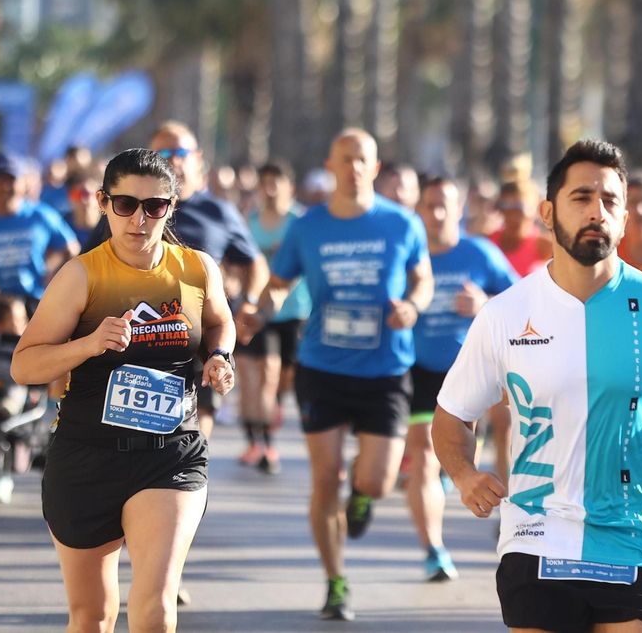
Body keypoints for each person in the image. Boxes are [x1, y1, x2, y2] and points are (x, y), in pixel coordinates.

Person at [432, 138, 642, 633]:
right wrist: (464, 475)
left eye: (610, 200)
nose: (597, 211)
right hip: (536, 536)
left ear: (625, 216)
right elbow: (451, 416)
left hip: (638, 536)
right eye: (581, 198)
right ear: (547, 213)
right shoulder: (506, 313)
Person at [13, 148, 236, 633]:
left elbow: (221, 321)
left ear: (171, 208)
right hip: (86, 455)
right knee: (92, 617)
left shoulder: (196, 268)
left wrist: (220, 356)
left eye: (155, 206)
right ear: (103, 203)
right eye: (126, 205)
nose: (140, 218)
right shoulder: (81, 275)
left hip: (170, 454)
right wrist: (89, 345)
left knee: (155, 607)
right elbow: (24, 365)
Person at [245, 128, 434, 621]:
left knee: (377, 479)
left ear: (374, 168)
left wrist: (412, 307)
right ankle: (335, 583)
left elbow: (422, 278)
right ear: (330, 165)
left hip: (386, 369)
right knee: (325, 477)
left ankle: (363, 498)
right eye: (344, 158)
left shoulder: (402, 223)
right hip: (322, 367)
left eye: (362, 159)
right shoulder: (309, 227)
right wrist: (261, 308)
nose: (353, 167)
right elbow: (281, 283)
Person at [86, 123, 265, 439]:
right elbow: (84, 270)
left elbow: (256, 263)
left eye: (180, 152)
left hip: (193, 343)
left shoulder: (217, 212)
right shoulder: (123, 208)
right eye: (163, 153)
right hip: (132, 343)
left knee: (193, 448)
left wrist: (247, 304)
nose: (172, 160)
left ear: (197, 158)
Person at [407, 175, 516, 583]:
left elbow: (523, 306)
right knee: (422, 456)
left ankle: (458, 461)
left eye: (444, 205)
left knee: (447, 455)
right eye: (428, 206)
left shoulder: (481, 253)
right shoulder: (408, 255)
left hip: (471, 371)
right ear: (418, 211)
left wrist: (484, 304)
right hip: (419, 370)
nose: (436, 214)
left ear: (460, 209)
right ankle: (434, 549)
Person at [236, 160, 304, 474]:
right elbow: (239, 260)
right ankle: (261, 443)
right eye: (265, 182)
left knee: (282, 381)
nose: (271, 189)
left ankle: (267, 426)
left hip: (295, 310)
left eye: (277, 182)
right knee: (260, 375)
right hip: (259, 310)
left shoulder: (300, 221)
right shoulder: (249, 221)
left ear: (289, 186)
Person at [0, 153, 80, 313]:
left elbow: (72, 249)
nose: (5, 186)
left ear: (22, 182)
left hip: (34, 302)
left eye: (11, 180)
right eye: (0, 180)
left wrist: (53, 273)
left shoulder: (40, 215)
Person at [490, 176, 554, 278]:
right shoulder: (487, 244)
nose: (513, 216)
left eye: (520, 207)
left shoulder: (547, 246)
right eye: (507, 206)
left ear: (538, 210)